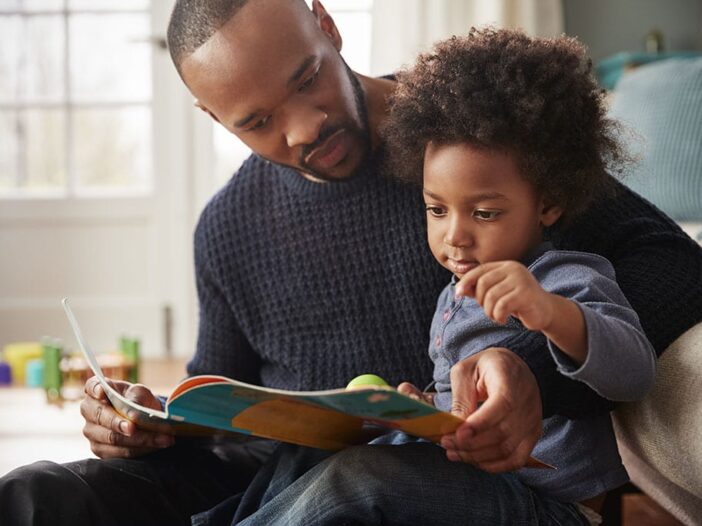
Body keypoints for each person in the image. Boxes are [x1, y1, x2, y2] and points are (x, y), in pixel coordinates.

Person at [0, 1, 699, 524]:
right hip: (281, 476)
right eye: (256, 122)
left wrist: (537, 379)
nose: (303, 126)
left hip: (426, 482)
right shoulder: (226, 228)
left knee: (355, 482)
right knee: (36, 493)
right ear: (214, 120)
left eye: (307, 79)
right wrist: (144, 424)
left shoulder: (473, 149)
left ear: (327, 27)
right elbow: (220, 402)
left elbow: (675, 267)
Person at [213, 28, 658, 526]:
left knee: (358, 481)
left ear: (548, 204)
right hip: (473, 484)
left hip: (552, 505)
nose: (456, 237)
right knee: (302, 457)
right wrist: (420, 411)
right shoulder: (453, 298)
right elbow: (463, 411)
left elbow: (635, 373)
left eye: (485, 213)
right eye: (436, 210)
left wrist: (553, 314)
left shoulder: (565, 277)